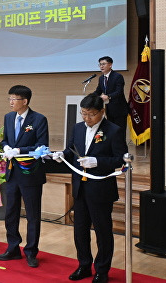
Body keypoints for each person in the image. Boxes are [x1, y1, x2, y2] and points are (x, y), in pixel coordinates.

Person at [53, 94, 127, 283]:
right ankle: (84, 265)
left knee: (102, 231)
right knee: (80, 229)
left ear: (102, 112)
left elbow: (120, 159)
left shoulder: (114, 130)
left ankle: (102, 270)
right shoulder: (78, 128)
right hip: (80, 187)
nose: (86, 118)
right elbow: (71, 149)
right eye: (83, 114)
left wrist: (97, 161)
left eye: (91, 115)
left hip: (100, 188)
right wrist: (62, 154)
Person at [0, 85, 49, 268]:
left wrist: (19, 150)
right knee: (11, 212)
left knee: (33, 215)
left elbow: (42, 145)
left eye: (14, 99)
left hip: (30, 174)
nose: (10, 102)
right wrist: (5, 147)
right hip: (12, 173)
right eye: (9, 98)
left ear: (24, 101)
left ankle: (31, 251)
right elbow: (5, 140)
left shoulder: (39, 119)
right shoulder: (9, 117)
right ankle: (12, 248)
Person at [92, 56, 129, 141]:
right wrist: (90, 97)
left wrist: (108, 96)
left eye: (103, 64)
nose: (101, 66)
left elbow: (119, 92)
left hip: (119, 109)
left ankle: (121, 152)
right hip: (109, 109)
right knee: (111, 132)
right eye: (100, 64)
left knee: (119, 132)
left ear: (110, 65)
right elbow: (98, 91)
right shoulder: (101, 78)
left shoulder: (118, 76)